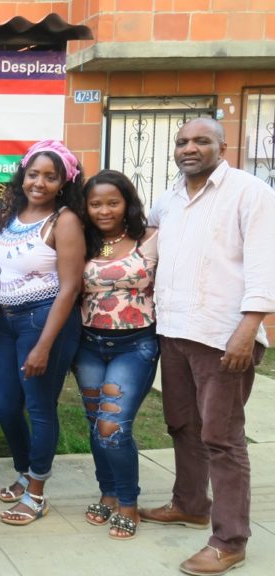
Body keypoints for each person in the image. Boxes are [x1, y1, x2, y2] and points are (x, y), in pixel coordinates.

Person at [139, 118, 275, 576]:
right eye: (182, 142)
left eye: (201, 140)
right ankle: (191, 503)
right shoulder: (171, 197)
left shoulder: (249, 192)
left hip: (222, 336)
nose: (189, 148)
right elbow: (151, 234)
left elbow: (264, 264)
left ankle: (229, 540)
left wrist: (250, 326)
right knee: (181, 424)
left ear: (221, 145)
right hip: (175, 330)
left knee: (222, 436)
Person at [0, 139, 85, 526]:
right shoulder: (11, 213)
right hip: (7, 322)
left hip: (44, 320)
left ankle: (37, 493)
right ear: (23, 175)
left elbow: (70, 287)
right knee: (4, 404)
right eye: (34, 174)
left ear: (63, 182)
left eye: (50, 176)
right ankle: (24, 470)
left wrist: (45, 344)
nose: (39, 183)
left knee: (39, 407)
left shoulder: (64, 220)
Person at [74, 170, 159, 541]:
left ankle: (128, 501)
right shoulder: (84, 242)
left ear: (127, 203)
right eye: (95, 203)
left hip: (134, 344)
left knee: (113, 426)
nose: (104, 210)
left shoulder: (151, 239)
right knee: (97, 424)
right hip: (90, 345)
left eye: (112, 202)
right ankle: (107, 492)